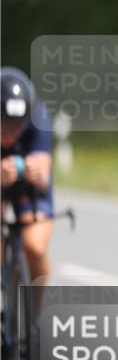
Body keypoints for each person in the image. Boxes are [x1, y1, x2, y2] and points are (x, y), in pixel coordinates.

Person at [1, 66, 55, 289]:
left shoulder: (39, 117)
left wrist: (36, 173)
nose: (11, 133)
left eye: (18, 126)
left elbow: (44, 175)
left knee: (34, 247)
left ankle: (34, 316)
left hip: (27, 185)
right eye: (4, 125)